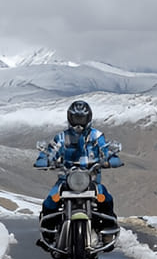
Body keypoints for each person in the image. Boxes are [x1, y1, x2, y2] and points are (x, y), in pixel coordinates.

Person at [33, 100, 123, 246]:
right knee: (50, 201)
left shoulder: (96, 136)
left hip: (91, 179)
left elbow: (106, 152)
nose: (78, 124)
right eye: (75, 119)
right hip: (66, 179)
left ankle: (107, 231)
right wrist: (44, 160)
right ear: (70, 118)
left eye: (81, 119)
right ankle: (48, 234)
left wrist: (110, 160)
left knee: (106, 198)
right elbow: (52, 151)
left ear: (88, 119)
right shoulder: (62, 137)